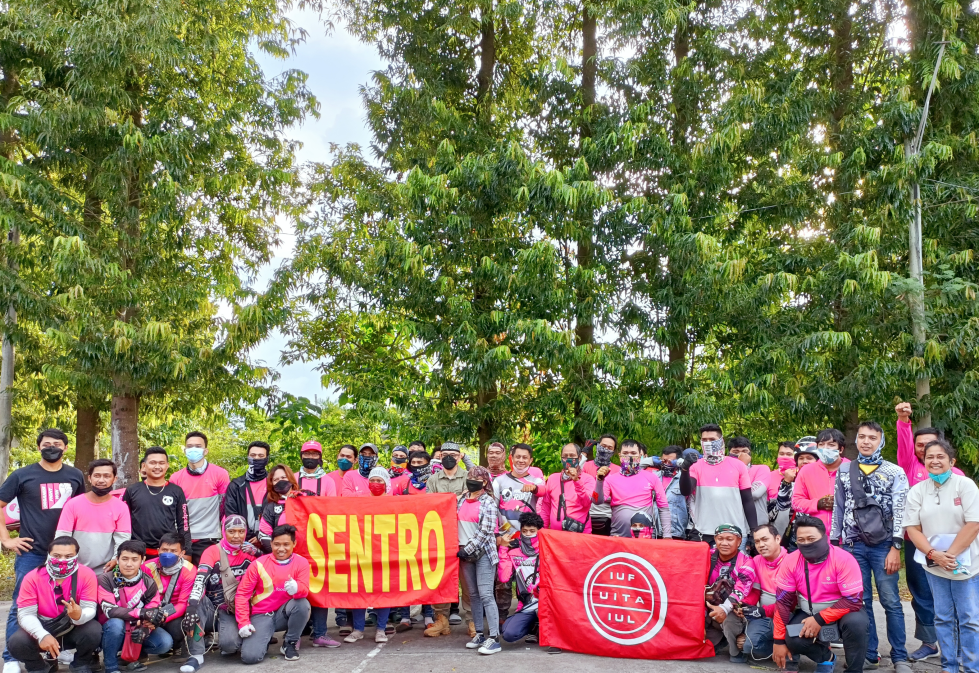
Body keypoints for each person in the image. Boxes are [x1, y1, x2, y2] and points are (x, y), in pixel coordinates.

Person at [0, 429, 85, 673]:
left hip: (67, 555)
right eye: (46, 444)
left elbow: (81, 508)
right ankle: (11, 657)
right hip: (33, 553)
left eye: (57, 444)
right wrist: (7, 540)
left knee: (68, 601)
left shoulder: (75, 475)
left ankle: (65, 649)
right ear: (39, 447)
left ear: (65, 448)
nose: (51, 447)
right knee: (21, 604)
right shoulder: (22, 475)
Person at [830, 421, 909, 671]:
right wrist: (835, 542)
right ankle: (870, 654)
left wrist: (896, 546)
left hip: (884, 545)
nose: (866, 441)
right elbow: (838, 508)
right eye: (862, 437)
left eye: (872, 438)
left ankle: (900, 656)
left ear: (881, 440)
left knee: (891, 601)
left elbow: (900, 510)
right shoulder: (844, 471)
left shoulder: (895, 472)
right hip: (852, 547)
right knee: (861, 602)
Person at [894, 402, 963, 662]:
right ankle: (929, 642)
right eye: (919, 445)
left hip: (951, 544)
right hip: (917, 542)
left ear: (943, 448)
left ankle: (956, 643)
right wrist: (903, 420)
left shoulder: (956, 475)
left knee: (953, 591)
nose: (924, 450)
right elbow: (903, 446)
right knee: (921, 592)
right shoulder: (911, 467)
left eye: (930, 444)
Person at [904, 439, 979, 673]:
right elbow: (912, 528)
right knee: (943, 617)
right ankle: (949, 666)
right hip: (934, 564)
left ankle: (971, 667)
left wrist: (950, 555)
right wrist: (935, 555)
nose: (935, 461)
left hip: (965, 565)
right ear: (924, 461)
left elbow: (974, 523)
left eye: (940, 457)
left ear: (951, 461)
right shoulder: (917, 490)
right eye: (929, 457)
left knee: (969, 619)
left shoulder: (965, 485)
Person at [772, 515, 868, 673]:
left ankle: (854, 670)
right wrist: (778, 641)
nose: (806, 543)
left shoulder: (844, 559)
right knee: (793, 639)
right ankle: (826, 658)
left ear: (825, 537)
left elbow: (853, 600)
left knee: (857, 624)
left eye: (811, 538)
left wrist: (820, 618)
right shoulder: (790, 561)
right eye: (801, 540)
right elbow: (783, 602)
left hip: (844, 611)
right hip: (809, 611)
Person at [7, 535, 101, 673]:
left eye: (69, 556)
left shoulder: (87, 574)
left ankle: (81, 663)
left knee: (94, 630)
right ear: (48, 555)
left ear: (76, 555)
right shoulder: (32, 577)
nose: (62, 560)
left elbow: (90, 608)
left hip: (73, 627)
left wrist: (79, 615)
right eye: (57, 555)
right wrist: (42, 635)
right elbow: (25, 614)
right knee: (16, 642)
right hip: (42, 626)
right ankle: (38, 667)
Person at [184, 516, 260, 667]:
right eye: (231, 531)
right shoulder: (212, 551)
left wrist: (258, 554)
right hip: (211, 607)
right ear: (223, 532)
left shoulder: (250, 552)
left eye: (241, 531)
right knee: (196, 603)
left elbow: (268, 573)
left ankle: (232, 639)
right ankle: (196, 654)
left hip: (233, 608)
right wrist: (191, 606)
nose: (236, 536)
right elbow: (201, 578)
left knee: (229, 646)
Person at [235, 524, 311, 663]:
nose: (281, 549)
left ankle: (290, 643)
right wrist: (243, 623)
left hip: (284, 614)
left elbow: (305, 590)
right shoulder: (258, 564)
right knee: (250, 658)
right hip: (261, 615)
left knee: (302, 604)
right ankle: (263, 637)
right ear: (271, 544)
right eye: (276, 544)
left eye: (286, 544)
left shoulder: (302, 562)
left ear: (294, 544)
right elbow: (242, 595)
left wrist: (297, 588)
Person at [98, 540, 174, 673]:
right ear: (117, 559)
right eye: (124, 559)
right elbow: (110, 610)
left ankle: (130, 657)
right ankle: (111, 666)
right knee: (116, 623)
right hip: (108, 629)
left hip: (135, 627)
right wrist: (142, 613)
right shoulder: (105, 579)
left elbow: (153, 612)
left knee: (165, 642)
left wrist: (146, 629)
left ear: (143, 560)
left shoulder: (148, 582)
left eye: (134, 559)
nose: (129, 564)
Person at [680, 424, 757, 544]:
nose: (707, 443)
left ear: (721, 441)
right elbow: (686, 491)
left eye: (712, 440)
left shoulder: (738, 465)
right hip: (704, 532)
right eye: (704, 440)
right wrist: (685, 470)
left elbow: (747, 499)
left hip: (734, 532)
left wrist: (753, 530)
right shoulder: (696, 465)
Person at [343, 467, 394, 643]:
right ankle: (358, 629)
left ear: (386, 483)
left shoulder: (394, 502)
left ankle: (381, 629)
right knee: (359, 590)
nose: (376, 484)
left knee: (383, 590)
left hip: (385, 551)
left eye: (380, 481)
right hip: (362, 550)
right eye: (373, 480)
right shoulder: (359, 501)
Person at [56, 459, 131, 573]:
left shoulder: (121, 507)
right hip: (74, 569)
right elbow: (62, 536)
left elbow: (122, 540)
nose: (101, 480)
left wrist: (115, 559)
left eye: (106, 476)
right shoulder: (73, 504)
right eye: (97, 476)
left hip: (106, 571)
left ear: (114, 479)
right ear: (89, 478)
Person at [426, 441, 470, 636]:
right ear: (439, 457)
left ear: (460, 456)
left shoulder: (470, 477)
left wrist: (448, 500)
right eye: (445, 454)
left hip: (465, 535)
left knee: (468, 580)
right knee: (440, 579)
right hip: (440, 537)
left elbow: (473, 503)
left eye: (453, 454)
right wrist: (457, 497)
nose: (449, 457)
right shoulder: (432, 480)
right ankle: (441, 619)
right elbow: (429, 506)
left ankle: (472, 620)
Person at [458, 466, 501, 655]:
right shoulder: (460, 499)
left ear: (484, 482)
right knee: (473, 595)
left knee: (486, 595)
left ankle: (494, 638)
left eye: (476, 478)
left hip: (482, 553)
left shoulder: (488, 503)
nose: (472, 480)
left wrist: (467, 549)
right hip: (464, 554)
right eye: (470, 477)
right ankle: (480, 635)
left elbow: (486, 531)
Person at [170, 432, 231, 564]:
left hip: (209, 539)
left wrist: (225, 537)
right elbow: (173, 511)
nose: (193, 449)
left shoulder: (220, 474)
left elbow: (225, 507)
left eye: (198, 446)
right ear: (185, 450)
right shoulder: (175, 478)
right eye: (190, 446)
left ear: (205, 450)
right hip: (183, 539)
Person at [392, 451, 436, 632]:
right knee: (407, 576)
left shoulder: (434, 482)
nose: (417, 465)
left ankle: (428, 616)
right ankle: (405, 616)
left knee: (427, 575)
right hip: (406, 534)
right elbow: (391, 506)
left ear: (428, 463)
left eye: (421, 462)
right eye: (414, 462)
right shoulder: (404, 482)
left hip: (428, 535)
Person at [122, 447, 191, 557]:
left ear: (167, 465)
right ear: (144, 466)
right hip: (138, 552)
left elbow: (184, 523)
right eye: (153, 463)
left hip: (168, 551)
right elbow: (123, 523)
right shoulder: (132, 490)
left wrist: (187, 551)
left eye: (161, 463)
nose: (157, 467)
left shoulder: (176, 491)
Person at [738, 524, 792, 663]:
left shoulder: (791, 561)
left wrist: (762, 611)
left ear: (778, 539)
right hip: (764, 615)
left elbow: (791, 603)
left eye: (765, 539)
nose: (761, 545)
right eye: (757, 541)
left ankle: (789, 651)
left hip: (786, 613)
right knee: (747, 647)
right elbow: (756, 591)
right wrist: (745, 605)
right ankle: (778, 648)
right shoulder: (756, 560)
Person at [142, 533, 196, 664]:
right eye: (164, 550)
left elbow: (183, 603)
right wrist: (148, 616)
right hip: (150, 610)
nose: (168, 554)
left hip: (173, 612)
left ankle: (180, 645)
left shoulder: (189, 570)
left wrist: (161, 616)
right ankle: (139, 652)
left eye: (173, 551)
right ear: (158, 550)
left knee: (179, 626)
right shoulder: (146, 567)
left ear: (182, 553)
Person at [704, 524, 757, 658]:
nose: (724, 543)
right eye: (720, 539)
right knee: (700, 647)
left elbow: (741, 590)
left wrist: (723, 608)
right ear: (715, 540)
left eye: (729, 539)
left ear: (739, 541)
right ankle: (718, 638)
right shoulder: (706, 556)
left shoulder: (746, 562)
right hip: (708, 606)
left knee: (728, 620)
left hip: (734, 610)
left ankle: (736, 652)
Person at [603, 440, 671, 538]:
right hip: (618, 537)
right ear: (619, 455)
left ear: (640, 456)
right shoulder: (610, 479)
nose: (629, 456)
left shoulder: (652, 477)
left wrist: (667, 535)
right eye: (625, 453)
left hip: (645, 539)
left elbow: (663, 507)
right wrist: (599, 481)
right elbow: (597, 501)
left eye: (633, 453)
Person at [792, 428, 847, 533]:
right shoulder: (806, 471)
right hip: (816, 535)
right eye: (821, 445)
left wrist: (840, 503)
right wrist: (817, 504)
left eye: (831, 445)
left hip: (847, 536)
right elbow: (796, 502)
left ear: (841, 449)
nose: (825, 448)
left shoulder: (852, 469)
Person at [499, 512, 542, 644]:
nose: (528, 534)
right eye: (525, 531)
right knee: (508, 633)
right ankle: (533, 627)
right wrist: (503, 548)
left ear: (539, 531)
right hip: (526, 604)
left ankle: (541, 627)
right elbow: (504, 577)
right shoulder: (514, 552)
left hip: (546, 603)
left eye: (532, 531)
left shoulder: (547, 550)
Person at [538, 443, 597, 534]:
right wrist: (542, 531)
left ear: (579, 458)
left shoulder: (588, 479)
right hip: (555, 536)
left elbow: (586, 503)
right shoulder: (553, 478)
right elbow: (546, 508)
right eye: (565, 456)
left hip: (580, 536)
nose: (568, 459)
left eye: (572, 456)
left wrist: (576, 480)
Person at [771, 442, 819, 551]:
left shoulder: (825, 478)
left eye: (809, 458)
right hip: (796, 534)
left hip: (820, 533)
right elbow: (782, 505)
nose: (804, 461)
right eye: (801, 458)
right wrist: (787, 483)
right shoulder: (792, 479)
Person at [224, 441, 271, 541]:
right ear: (248, 457)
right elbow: (231, 514)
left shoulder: (274, 484)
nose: (257, 458)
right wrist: (247, 535)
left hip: (269, 541)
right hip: (242, 540)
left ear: (267, 459)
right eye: (253, 455)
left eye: (261, 455)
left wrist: (261, 537)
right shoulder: (236, 485)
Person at [257, 464, 304, 552]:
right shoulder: (270, 507)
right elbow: (264, 535)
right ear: (272, 484)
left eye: (283, 477)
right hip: (282, 555)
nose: (280, 481)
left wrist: (301, 498)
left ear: (290, 478)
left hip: (308, 554)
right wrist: (280, 553)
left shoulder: (306, 497)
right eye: (276, 480)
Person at [729, 437, 771, 527]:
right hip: (733, 527)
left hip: (758, 527)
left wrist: (741, 466)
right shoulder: (724, 473)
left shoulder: (762, 469)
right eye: (735, 452)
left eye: (744, 451)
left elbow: (755, 494)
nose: (740, 455)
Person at [582, 435, 619, 536]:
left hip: (608, 518)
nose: (605, 449)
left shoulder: (617, 470)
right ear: (597, 446)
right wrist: (584, 452)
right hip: (585, 515)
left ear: (614, 451)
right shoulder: (585, 466)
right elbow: (575, 477)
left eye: (609, 448)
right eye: (603, 446)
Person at [769, 441, 801, 538]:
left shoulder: (802, 475)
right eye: (781, 454)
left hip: (797, 526)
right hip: (773, 527)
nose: (785, 457)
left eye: (789, 454)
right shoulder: (769, 476)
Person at [659, 445, 688, 539]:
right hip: (654, 530)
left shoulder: (685, 479)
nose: (666, 464)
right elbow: (638, 469)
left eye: (670, 461)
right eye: (664, 460)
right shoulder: (655, 477)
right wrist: (651, 460)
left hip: (675, 532)